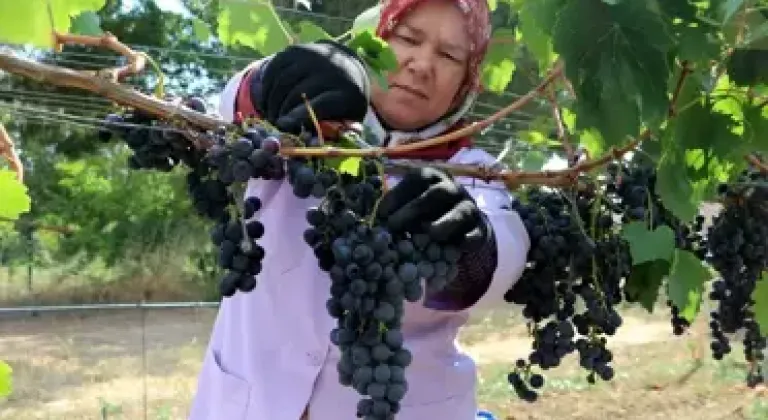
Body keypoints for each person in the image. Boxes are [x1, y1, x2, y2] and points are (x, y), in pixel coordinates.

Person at [189, 0, 530, 419]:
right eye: (408, 39)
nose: (422, 64)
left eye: (449, 56)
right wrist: (269, 83)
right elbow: (229, 115)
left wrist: (474, 249)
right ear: (377, 39)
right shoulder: (301, 126)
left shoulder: (473, 171)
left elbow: (504, 252)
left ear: (465, 81)